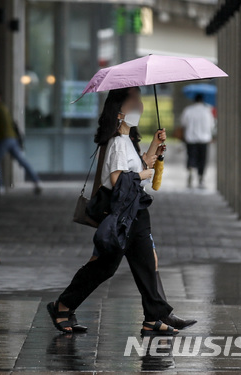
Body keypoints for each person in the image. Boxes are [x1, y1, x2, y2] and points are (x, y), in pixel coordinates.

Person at [47, 87, 190, 335]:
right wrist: (142, 173)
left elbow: (138, 171)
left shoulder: (129, 141)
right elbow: (117, 180)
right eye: (134, 102)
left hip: (136, 211)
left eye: (140, 101)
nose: (140, 106)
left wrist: (155, 146)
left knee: (147, 262)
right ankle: (62, 305)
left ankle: (153, 318)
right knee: (104, 267)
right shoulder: (116, 143)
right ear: (119, 112)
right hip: (122, 215)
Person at [0, 89, 42, 194]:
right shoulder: (3, 107)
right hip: (12, 138)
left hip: (4, 139)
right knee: (22, 160)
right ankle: (36, 180)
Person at [180, 93, 215, 189]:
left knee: (191, 156)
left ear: (194, 100)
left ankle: (191, 168)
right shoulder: (207, 111)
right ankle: (201, 178)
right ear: (202, 100)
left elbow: (183, 123)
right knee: (202, 159)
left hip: (191, 139)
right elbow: (211, 125)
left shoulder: (188, 110)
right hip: (204, 139)